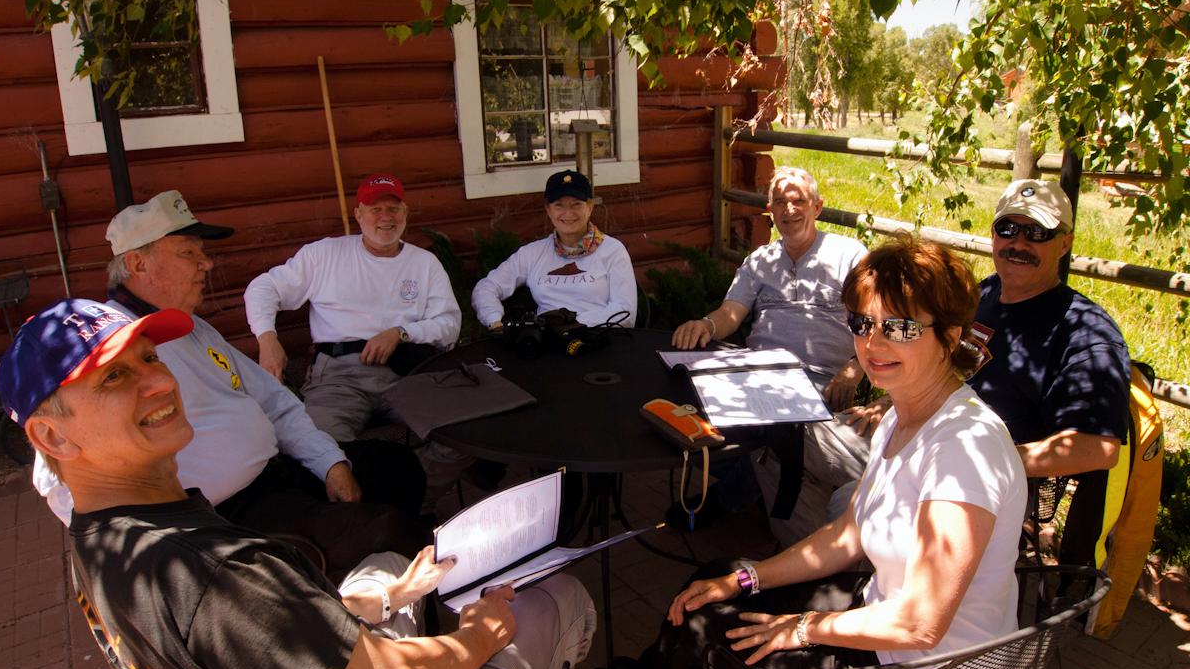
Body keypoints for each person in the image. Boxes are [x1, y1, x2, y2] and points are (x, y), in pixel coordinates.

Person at [2, 299, 596, 669]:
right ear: (52, 435)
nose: (161, 381)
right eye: (116, 376)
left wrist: (380, 602)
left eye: (151, 358)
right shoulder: (216, 577)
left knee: (389, 564)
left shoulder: (102, 538)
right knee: (558, 596)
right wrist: (482, 632)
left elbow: (252, 634)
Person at [605, 239, 1026, 669]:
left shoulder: (962, 450)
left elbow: (919, 624)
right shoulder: (900, 415)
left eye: (900, 327)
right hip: (886, 631)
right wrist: (749, 578)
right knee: (715, 581)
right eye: (862, 323)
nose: (873, 343)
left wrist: (803, 628)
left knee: (710, 632)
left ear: (950, 336)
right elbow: (850, 534)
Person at [32, 191, 427, 580]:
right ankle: (361, 607)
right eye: (188, 253)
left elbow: (274, 400)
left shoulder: (192, 326)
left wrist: (329, 461)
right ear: (137, 263)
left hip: (276, 475)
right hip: (225, 516)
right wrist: (164, 545)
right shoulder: (106, 350)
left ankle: (360, 582)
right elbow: (56, 479)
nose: (206, 264)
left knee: (396, 466)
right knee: (391, 530)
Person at [840, 180, 1132, 566]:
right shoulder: (985, 295)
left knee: (846, 506)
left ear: (1065, 242)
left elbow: (1100, 448)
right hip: (914, 431)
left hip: (976, 477)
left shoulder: (1084, 332)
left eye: (1037, 233)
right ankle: (827, 582)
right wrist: (885, 400)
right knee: (804, 435)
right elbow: (931, 357)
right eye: (1007, 229)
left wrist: (990, 458)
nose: (1019, 243)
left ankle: (859, 593)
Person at [670, 166, 870, 545]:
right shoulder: (759, 260)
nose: (789, 209)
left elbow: (876, 319)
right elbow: (732, 313)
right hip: (758, 370)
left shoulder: (849, 256)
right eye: (780, 201)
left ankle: (724, 500)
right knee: (691, 410)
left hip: (818, 378)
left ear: (818, 207)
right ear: (770, 210)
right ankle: (758, 488)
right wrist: (706, 326)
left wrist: (856, 366)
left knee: (777, 431)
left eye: (798, 200)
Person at [244, 173, 460, 441]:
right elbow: (263, 288)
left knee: (462, 432)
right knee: (318, 447)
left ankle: (416, 481)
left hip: (407, 371)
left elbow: (449, 325)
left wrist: (401, 333)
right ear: (358, 214)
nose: (386, 217)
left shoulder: (425, 263)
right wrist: (267, 339)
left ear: (405, 212)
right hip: (339, 375)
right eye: (375, 209)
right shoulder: (325, 255)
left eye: (393, 209)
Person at [471, 169, 638, 329]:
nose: (568, 213)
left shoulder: (613, 251)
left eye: (576, 204)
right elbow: (487, 287)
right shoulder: (533, 253)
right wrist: (494, 319)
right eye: (559, 205)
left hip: (600, 341)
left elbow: (625, 312)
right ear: (548, 210)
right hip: (547, 346)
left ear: (590, 207)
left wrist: (569, 326)